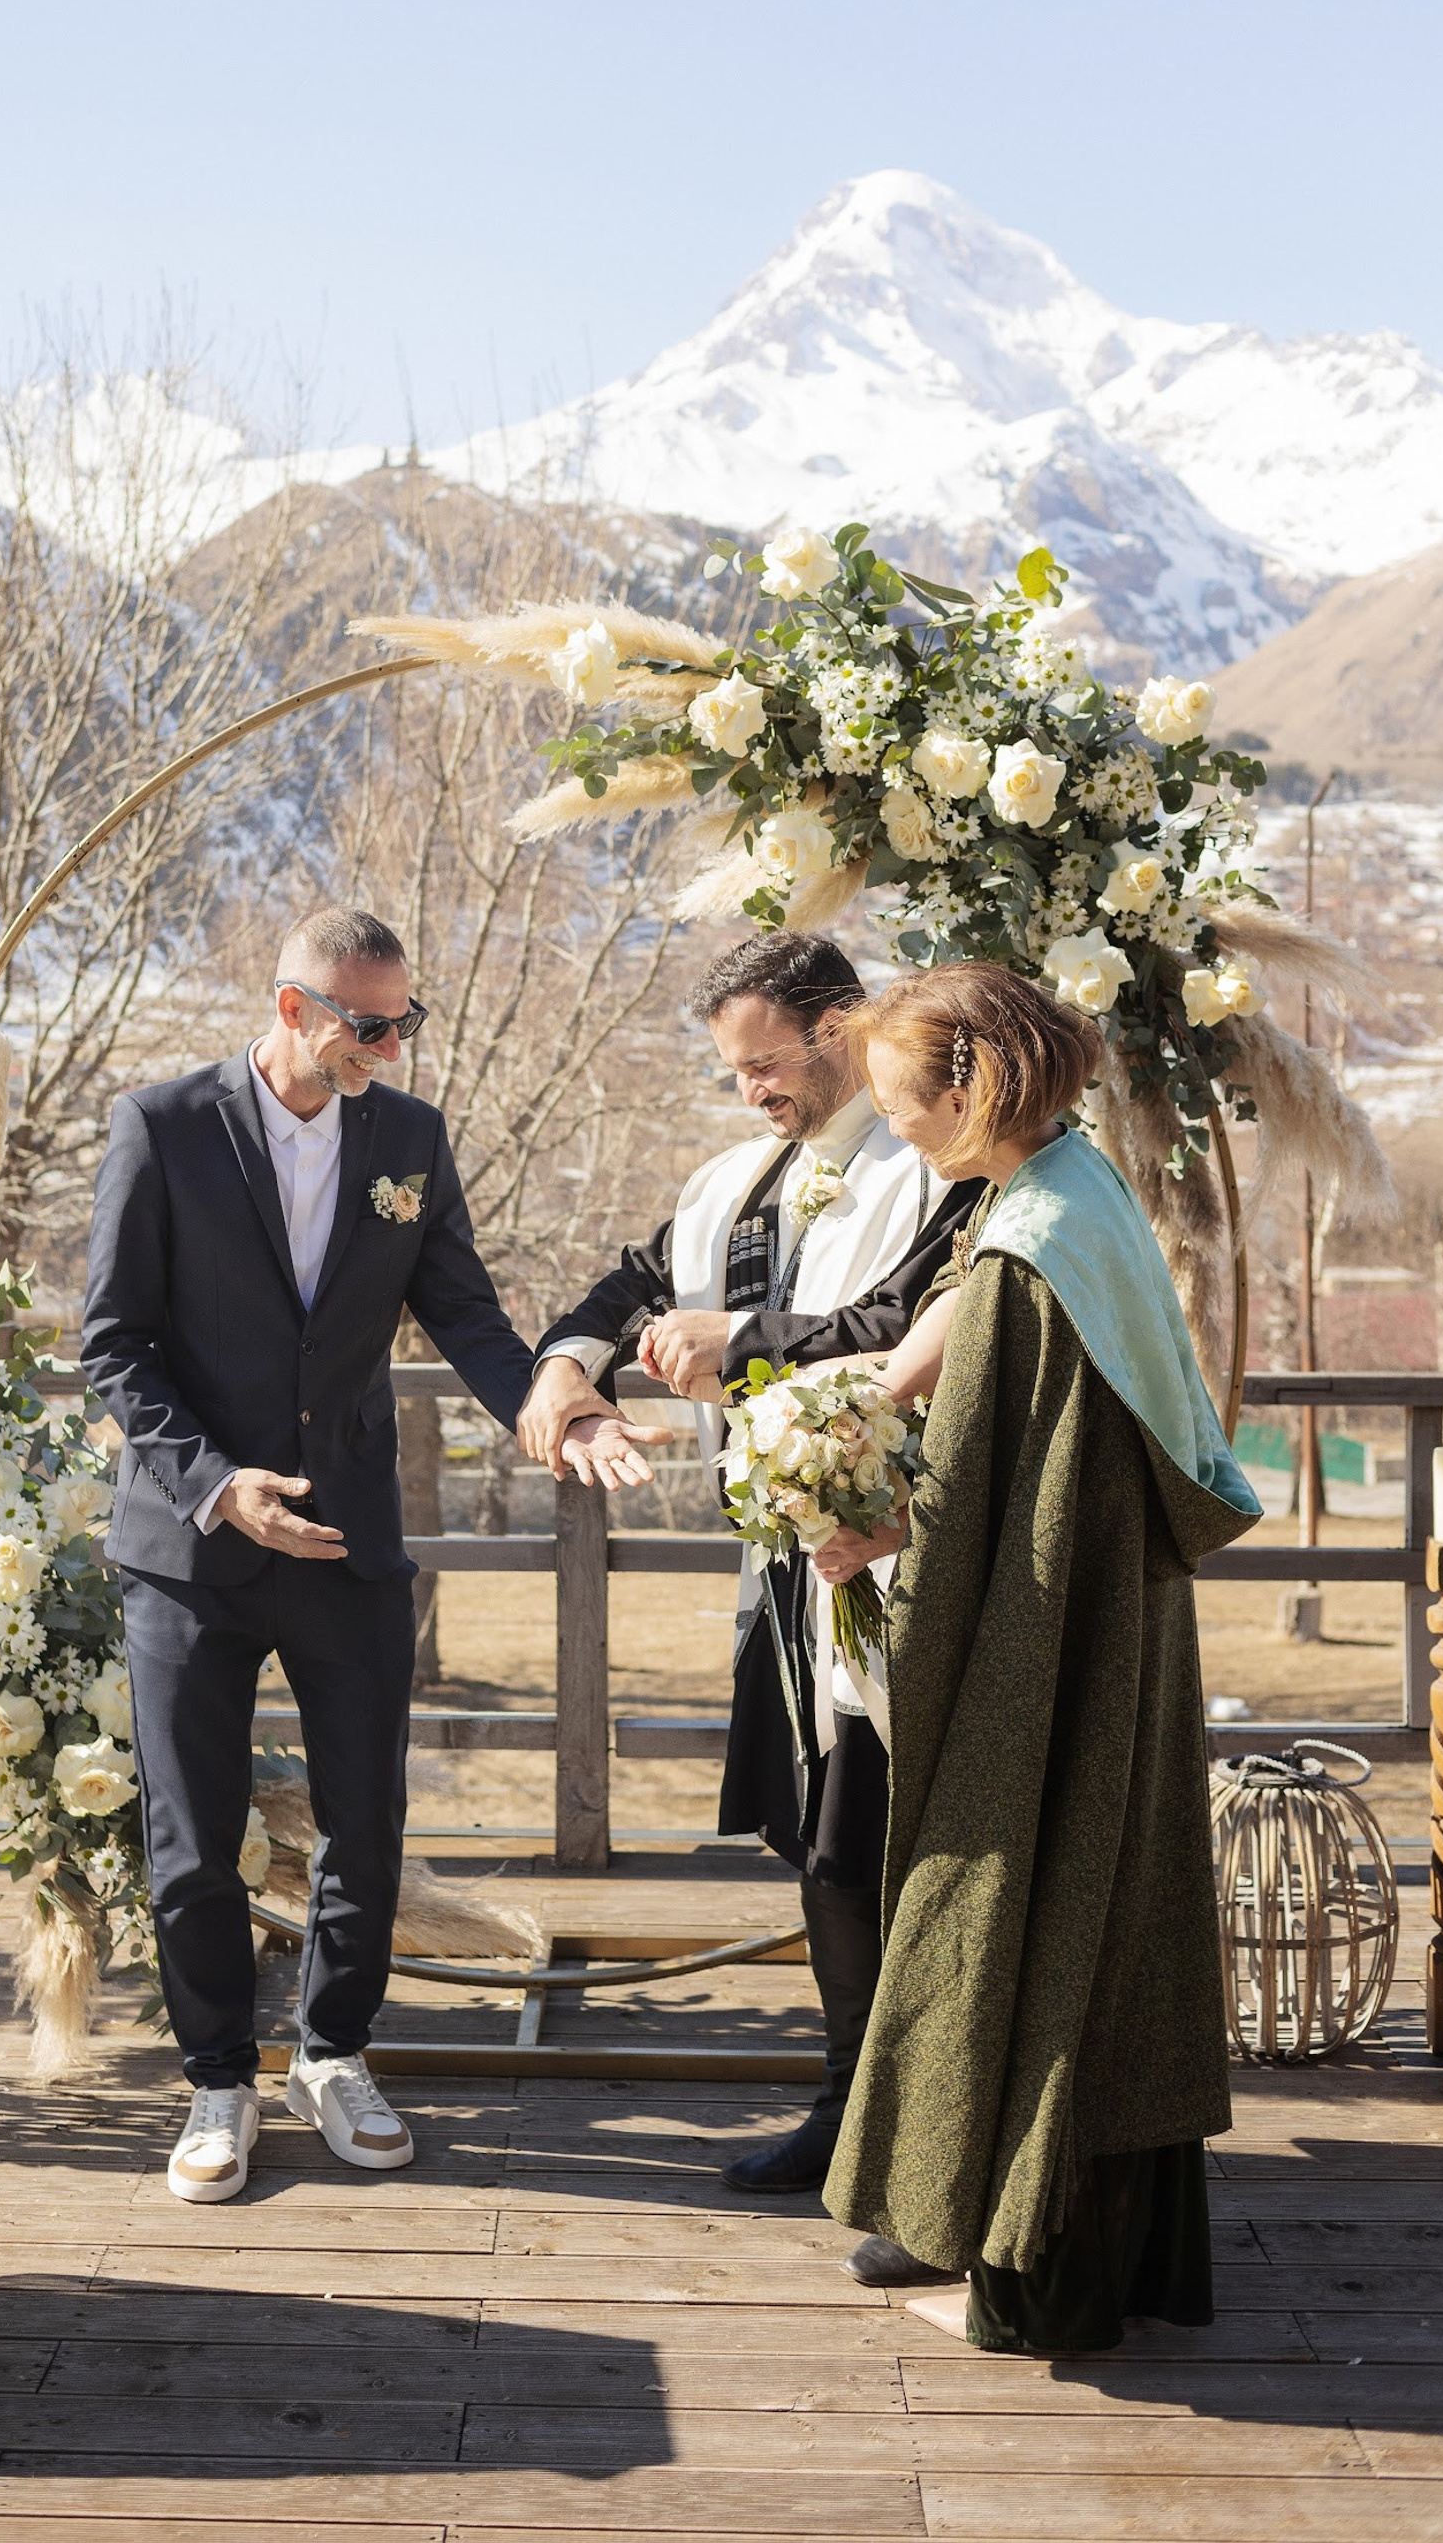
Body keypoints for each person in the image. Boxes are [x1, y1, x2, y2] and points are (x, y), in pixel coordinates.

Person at [819, 961, 1260, 2352]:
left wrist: (875, 1531)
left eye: (901, 1103)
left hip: (1047, 1639)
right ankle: (1035, 2241)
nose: (893, 1127)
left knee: (1015, 1899)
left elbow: (992, 1481)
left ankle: (1030, 2278)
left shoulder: (1028, 1257)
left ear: (975, 1086)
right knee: (1103, 1913)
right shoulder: (1076, 1194)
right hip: (1107, 1620)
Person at [82, 907, 546, 2204]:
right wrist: (222, 1489)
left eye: (407, 1020)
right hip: (191, 1545)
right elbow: (115, 1343)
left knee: (368, 1816)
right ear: (294, 1008)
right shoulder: (161, 1127)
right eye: (371, 1023)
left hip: (347, 1533)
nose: (392, 1046)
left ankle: (333, 2055)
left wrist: (552, 1406)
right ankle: (218, 2077)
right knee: (191, 1831)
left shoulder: (409, 1140)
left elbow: (466, 1314)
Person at [517, 930, 980, 2193]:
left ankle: (889, 2113)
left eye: (766, 1065)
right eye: (734, 1074)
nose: (753, 1095)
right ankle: (859, 2097)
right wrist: (567, 1374)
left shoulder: (934, 1159)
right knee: (814, 1843)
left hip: (898, 1550)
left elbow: (916, 1315)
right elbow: (619, 1292)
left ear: (841, 1029)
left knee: (866, 1849)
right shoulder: (734, 1179)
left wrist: (752, 1339)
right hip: (782, 1565)